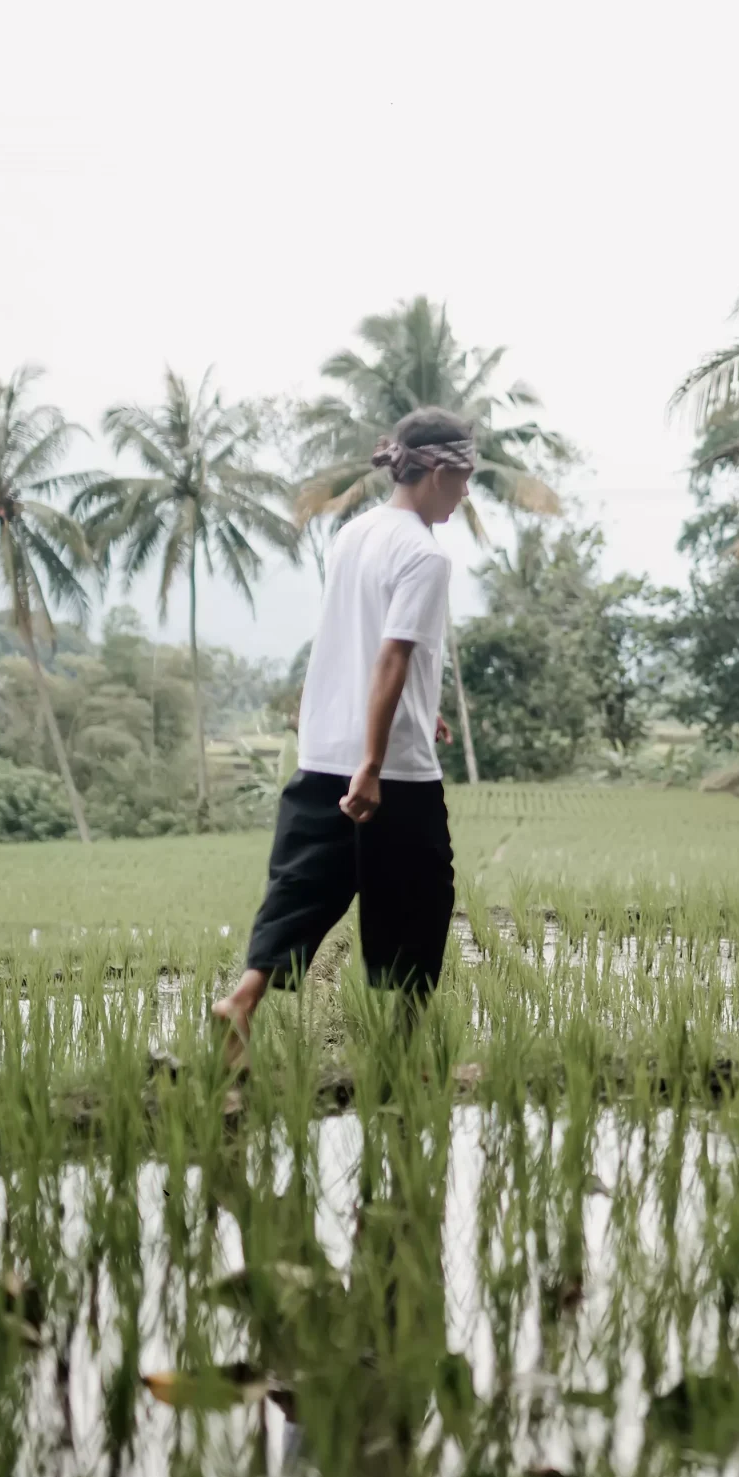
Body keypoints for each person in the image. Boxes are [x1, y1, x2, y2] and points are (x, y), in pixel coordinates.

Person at [213, 408, 472, 1050]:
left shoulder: (354, 534)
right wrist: (373, 766)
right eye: (465, 478)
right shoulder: (424, 555)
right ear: (437, 471)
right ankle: (404, 1050)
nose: (466, 493)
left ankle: (242, 1000)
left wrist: (423, 708)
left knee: (306, 886)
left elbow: (362, 641)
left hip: (324, 745)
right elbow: (391, 656)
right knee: (422, 896)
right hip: (389, 765)